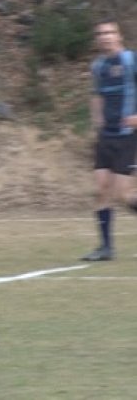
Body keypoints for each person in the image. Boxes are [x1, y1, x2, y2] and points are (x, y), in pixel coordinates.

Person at [82, 19, 137, 262]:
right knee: (101, 189)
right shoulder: (98, 66)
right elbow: (97, 95)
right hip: (106, 136)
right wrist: (97, 122)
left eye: (110, 32)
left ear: (119, 35)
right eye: (101, 33)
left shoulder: (131, 61)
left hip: (128, 136)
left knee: (124, 195)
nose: (105, 36)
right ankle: (105, 248)